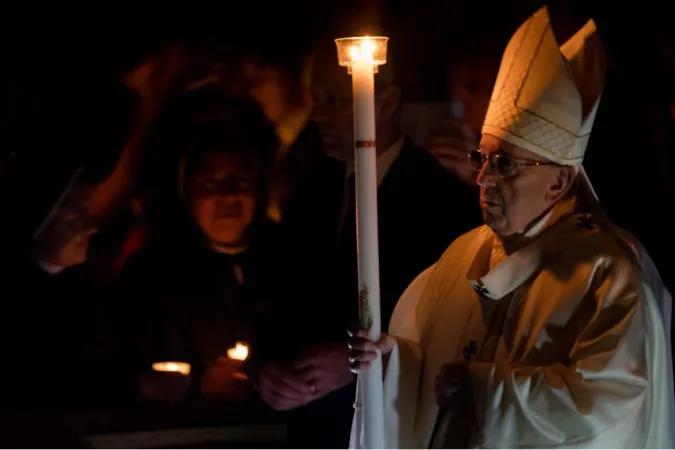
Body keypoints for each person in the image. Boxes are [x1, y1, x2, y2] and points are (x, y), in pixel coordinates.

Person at [348, 7, 674, 448]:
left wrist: (487, 391)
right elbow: (428, 367)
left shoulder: (606, 273)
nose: (484, 178)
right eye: (481, 158)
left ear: (558, 182)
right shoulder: (464, 254)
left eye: (504, 164)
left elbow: (610, 403)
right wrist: (389, 364)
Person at [112, 94, 282, 404]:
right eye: (209, 184)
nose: (227, 196)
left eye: (239, 180)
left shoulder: (285, 260)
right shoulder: (150, 273)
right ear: (186, 192)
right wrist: (198, 385)